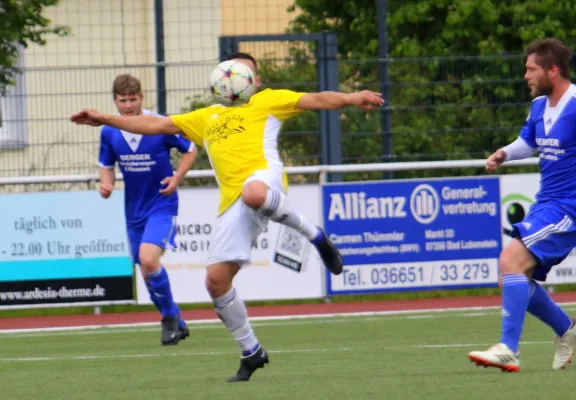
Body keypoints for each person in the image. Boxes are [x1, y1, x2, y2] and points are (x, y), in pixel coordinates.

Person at [72, 53, 384, 381]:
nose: (233, 78)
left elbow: (318, 98)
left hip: (265, 181)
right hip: (231, 204)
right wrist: (105, 118)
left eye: (242, 72)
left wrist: (350, 97)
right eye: (229, 72)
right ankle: (251, 352)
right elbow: (156, 124)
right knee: (216, 281)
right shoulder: (207, 117)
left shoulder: (269, 100)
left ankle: (314, 236)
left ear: (255, 81)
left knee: (254, 193)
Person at [468, 38, 576, 372]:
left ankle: (509, 348)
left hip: (572, 208)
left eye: (531, 68)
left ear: (553, 70)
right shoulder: (539, 108)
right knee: (513, 274)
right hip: (545, 204)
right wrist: (505, 153)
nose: (525, 75)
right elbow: (529, 142)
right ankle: (566, 327)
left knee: (509, 260)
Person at [98, 74, 198, 345]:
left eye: (132, 99)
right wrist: (105, 185)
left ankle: (168, 319)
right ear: (115, 101)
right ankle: (176, 319)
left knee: (149, 260)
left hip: (162, 205)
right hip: (134, 211)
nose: (128, 106)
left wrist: (177, 178)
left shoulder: (158, 124)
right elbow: (106, 168)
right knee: (145, 270)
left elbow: (191, 149)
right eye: (122, 100)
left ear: (141, 98)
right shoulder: (109, 131)